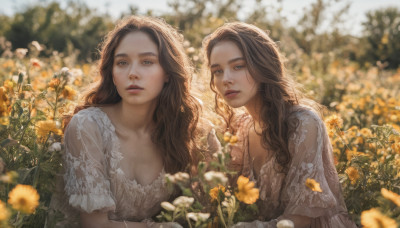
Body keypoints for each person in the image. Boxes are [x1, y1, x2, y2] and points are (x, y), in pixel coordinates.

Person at [202, 22, 357, 228]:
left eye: (238, 66)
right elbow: (231, 199)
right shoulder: (241, 127)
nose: (226, 79)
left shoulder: (302, 123)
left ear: (262, 65)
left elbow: (301, 220)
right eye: (217, 71)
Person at [50, 15, 201, 228]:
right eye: (122, 63)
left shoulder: (185, 129)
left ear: (168, 72)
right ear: (112, 74)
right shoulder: (88, 127)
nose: (132, 73)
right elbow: (94, 225)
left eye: (147, 62)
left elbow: (205, 212)